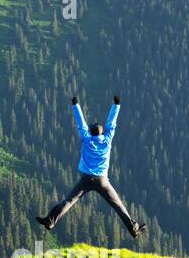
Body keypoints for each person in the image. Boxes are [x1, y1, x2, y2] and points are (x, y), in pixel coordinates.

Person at [37, 94, 146, 238]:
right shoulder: (107, 140)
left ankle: (50, 221)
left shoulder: (86, 139)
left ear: (91, 132)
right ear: (102, 132)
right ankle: (134, 229)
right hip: (102, 180)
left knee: (69, 201)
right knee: (118, 205)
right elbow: (111, 123)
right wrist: (116, 105)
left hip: (86, 179)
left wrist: (75, 104)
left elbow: (80, 123)